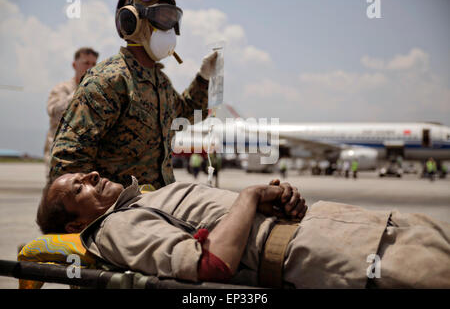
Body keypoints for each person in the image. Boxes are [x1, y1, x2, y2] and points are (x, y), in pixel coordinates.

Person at [37, 171, 450, 288]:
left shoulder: (140, 200)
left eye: (86, 175)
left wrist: (274, 196)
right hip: (334, 253)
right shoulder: (113, 228)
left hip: (350, 227)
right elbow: (211, 264)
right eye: (80, 186)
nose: (92, 175)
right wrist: (251, 197)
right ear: (76, 223)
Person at [49, 0, 218, 189]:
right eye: (162, 18)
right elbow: (68, 160)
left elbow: (188, 114)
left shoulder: (161, 83)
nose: (170, 29)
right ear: (132, 21)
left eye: (172, 20)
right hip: (121, 208)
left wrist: (203, 78)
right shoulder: (108, 80)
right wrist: (101, 208)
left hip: (160, 201)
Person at [44, 47, 99, 178]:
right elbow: (55, 112)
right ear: (74, 65)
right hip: (60, 159)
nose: (90, 68)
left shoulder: (96, 92)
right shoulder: (62, 89)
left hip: (85, 160)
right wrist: (80, 91)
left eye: (93, 64)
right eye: (86, 63)